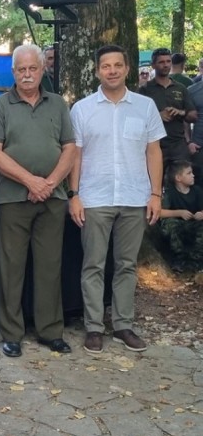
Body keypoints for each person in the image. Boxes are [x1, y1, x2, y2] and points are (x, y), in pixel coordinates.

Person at [69, 44, 164, 355]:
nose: (111, 70)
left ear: (127, 69)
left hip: (135, 196)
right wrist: (75, 195)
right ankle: (94, 327)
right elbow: (76, 155)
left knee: (126, 265)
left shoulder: (145, 106)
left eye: (117, 65)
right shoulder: (82, 109)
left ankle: (123, 324)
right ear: (98, 71)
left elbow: (153, 151)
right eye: (105, 65)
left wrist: (155, 194)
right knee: (93, 265)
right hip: (94, 198)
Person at [0, 44, 76, 358]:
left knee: (50, 265)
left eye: (32, 69)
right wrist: (31, 182)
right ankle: (12, 333)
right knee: (11, 268)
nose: (26, 75)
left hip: (53, 197)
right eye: (20, 69)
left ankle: (50, 331)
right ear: (13, 72)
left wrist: (49, 184)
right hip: (13, 198)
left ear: (42, 70)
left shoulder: (58, 105)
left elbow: (69, 148)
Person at [138, 48, 197, 169]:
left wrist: (180, 112)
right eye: (161, 62)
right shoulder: (145, 89)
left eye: (168, 61)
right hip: (154, 145)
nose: (165, 65)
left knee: (181, 184)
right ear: (153, 65)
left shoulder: (180, 88)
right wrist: (157, 116)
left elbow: (193, 116)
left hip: (178, 146)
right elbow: (135, 117)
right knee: (155, 185)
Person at [159, 161, 203, 273]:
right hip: (177, 225)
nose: (193, 175)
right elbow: (160, 212)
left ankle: (196, 260)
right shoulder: (169, 192)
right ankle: (179, 259)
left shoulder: (197, 190)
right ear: (178, 177)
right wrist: (179, 213)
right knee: (169, 224)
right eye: (189, 173)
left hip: (194, 224)